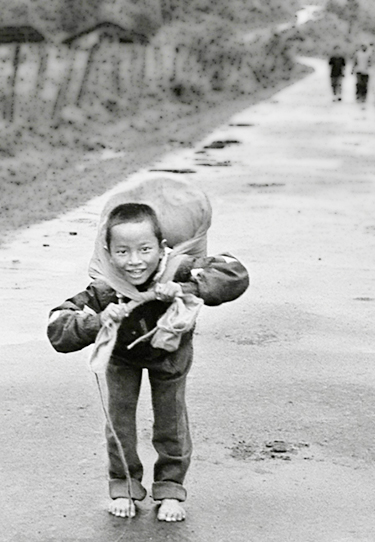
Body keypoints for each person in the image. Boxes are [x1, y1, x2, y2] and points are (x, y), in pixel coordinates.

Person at [47, 201, 249, 522]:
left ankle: (170, 489)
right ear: (107, 253)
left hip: (170, 354)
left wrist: (185, 287)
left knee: (170, 420)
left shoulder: (179, 268)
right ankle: (125, 486)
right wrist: (98, 320)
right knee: (120, 422)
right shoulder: (104, 289)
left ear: (161, 247)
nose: (134, 261)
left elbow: (234, 271)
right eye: (122, 252)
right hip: (121, 357)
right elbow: (57, 327)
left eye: (144, 249)